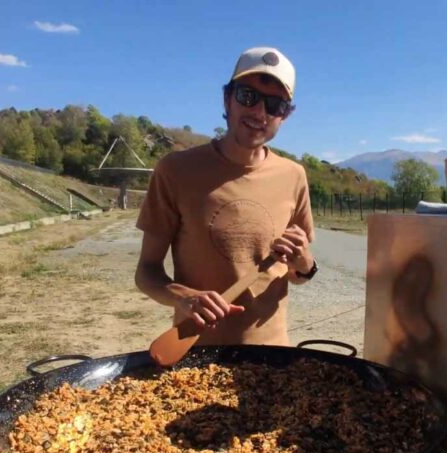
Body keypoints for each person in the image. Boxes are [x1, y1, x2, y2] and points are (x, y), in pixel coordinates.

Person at [135, 47, 317, 347]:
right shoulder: (176, 170)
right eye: (248, 96)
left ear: (285, 116)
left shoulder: (294, 175)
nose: (260, 112)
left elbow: (296, 273)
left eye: (275, 105)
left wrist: (305, 263)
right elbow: (146, 273)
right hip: (195, 353)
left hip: (273, 357)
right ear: (227, 98)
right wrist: (185, 298)